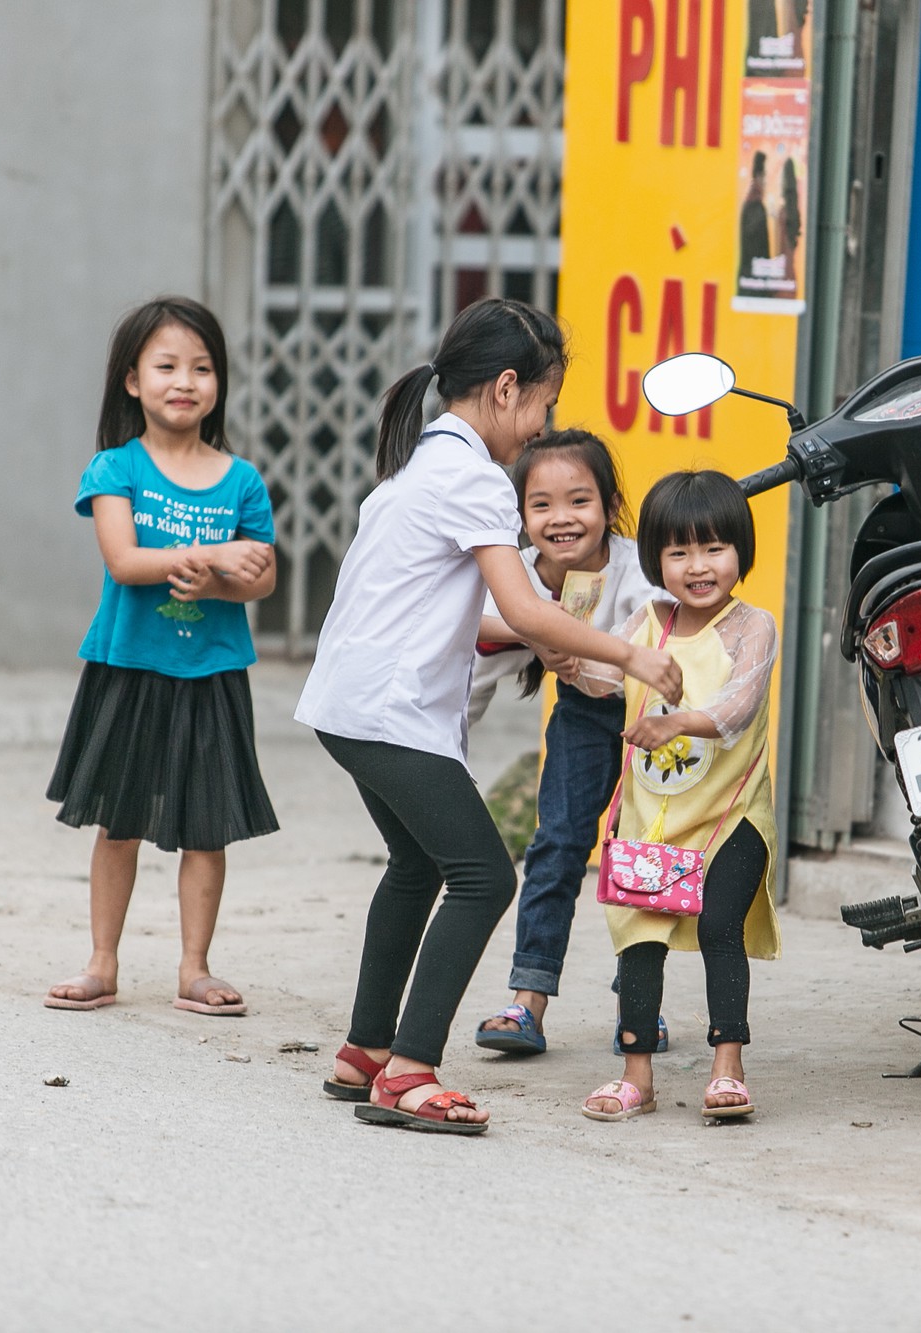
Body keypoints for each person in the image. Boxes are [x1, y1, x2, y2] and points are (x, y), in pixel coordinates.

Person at [298, 298, 682, 1136]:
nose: (541, 421)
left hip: (347, 700)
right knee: (483, 875)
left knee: (416, 863)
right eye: (543, 402)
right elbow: (526, 607)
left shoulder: (414, 467)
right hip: (389, 710)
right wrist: (631, 654)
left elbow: (468, 618)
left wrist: (535, 637)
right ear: (507, 388)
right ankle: (410, 1073)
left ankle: (366, 1051)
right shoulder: (470, 475)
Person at [45, 297, 279, 1018]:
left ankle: (194, 968)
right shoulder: (115, 467)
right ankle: (102, 962)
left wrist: (227, 576)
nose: (186, 381)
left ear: (220, 383)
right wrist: (209, 556)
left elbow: (264, 575)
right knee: (120, 822)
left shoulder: (241, 480)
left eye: (202, 367)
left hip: (211, 672)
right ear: (132, 381)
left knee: (206, 829)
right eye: (167, 366)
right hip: (130, 667)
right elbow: (123, 560)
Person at [573, 470, 780, 1124]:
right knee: (638, 937)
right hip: (651, 822)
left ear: (741, 550)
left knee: (721, 924)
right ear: (657, 558)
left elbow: (737, 708)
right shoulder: (648, 621)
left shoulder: (753, 625)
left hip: (730, 815)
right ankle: (638, 1076)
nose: (698, 566)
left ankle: (728, 1065)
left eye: (714, 547)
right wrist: (560, 646)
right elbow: (600, 677)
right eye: (680, 551)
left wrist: (672, 722)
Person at [469, 429, 669, 1058]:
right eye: (542, 505)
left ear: (610, 507)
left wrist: (570, 646)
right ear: (521, 516)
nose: (561, 519)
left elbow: (656, 648)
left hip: (653, 721)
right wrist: (446, 754)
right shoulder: (518, 577)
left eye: (579, 501)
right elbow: (467, 663)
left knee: (642, 860)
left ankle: (640, 1010)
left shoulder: (636, 567)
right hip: (581, 717)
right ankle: (527, 1001)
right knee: (556, 845)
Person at [738, 151, 773, 291]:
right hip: (754, 282)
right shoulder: (754, 205)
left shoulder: (752, 202)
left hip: (752, 278)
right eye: (764, 177)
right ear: (758, 177)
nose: (766, 181)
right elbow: (757, 247)